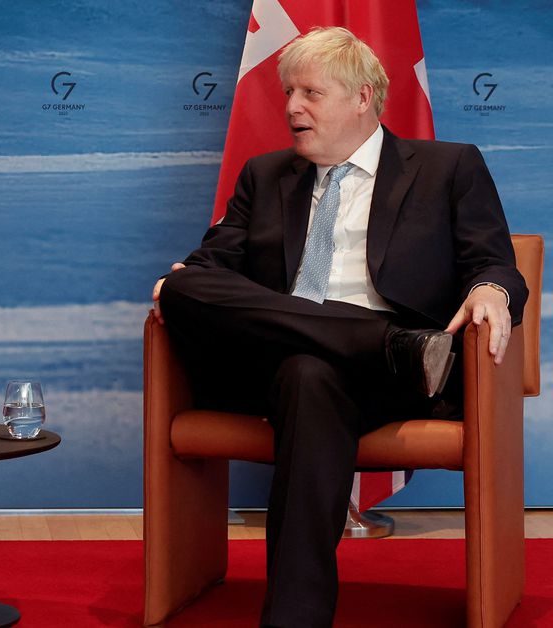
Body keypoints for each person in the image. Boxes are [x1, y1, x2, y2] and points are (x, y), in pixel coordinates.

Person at [151, 27, 526, 628]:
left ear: (363, 97)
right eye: (288, 93)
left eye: (311, 93)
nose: (292, 107)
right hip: (311, 360)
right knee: (186, 290)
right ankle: (391, 344)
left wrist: (491, 289)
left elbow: (495, 263)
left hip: (389, 385)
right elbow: (210, 265)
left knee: (309, 374)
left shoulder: (447, 167)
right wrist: (187, 281)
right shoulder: (264, 175)